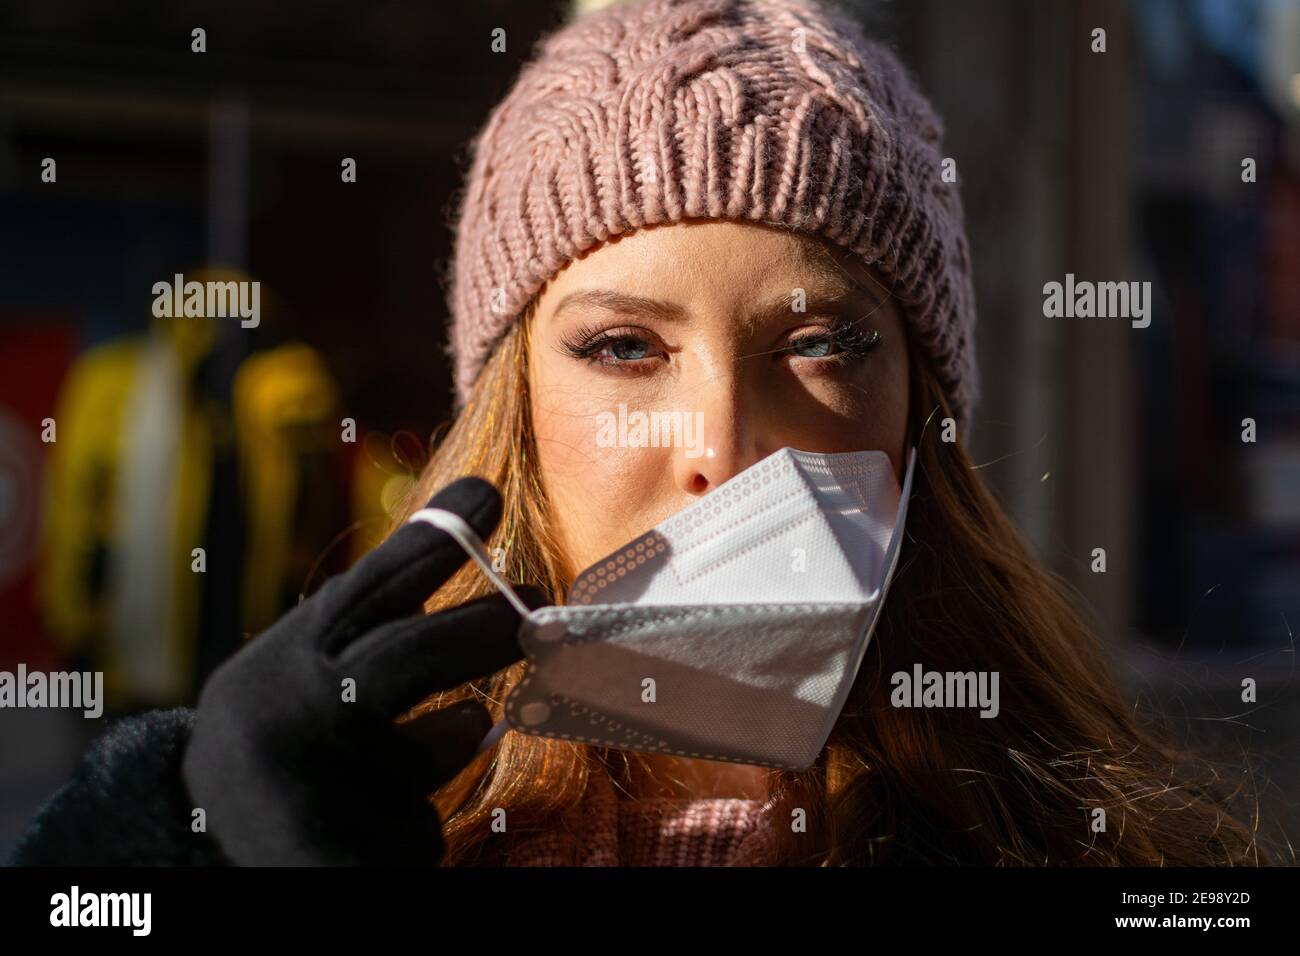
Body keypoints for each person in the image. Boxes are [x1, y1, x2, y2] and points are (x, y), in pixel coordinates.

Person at [11, 0, 1265, 867]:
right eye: (624, 348)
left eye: (822, 344)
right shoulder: (378, 822)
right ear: (517, 418)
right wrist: (171, 832)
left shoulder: (1104, 842)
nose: (723, 442)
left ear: (918, 420)